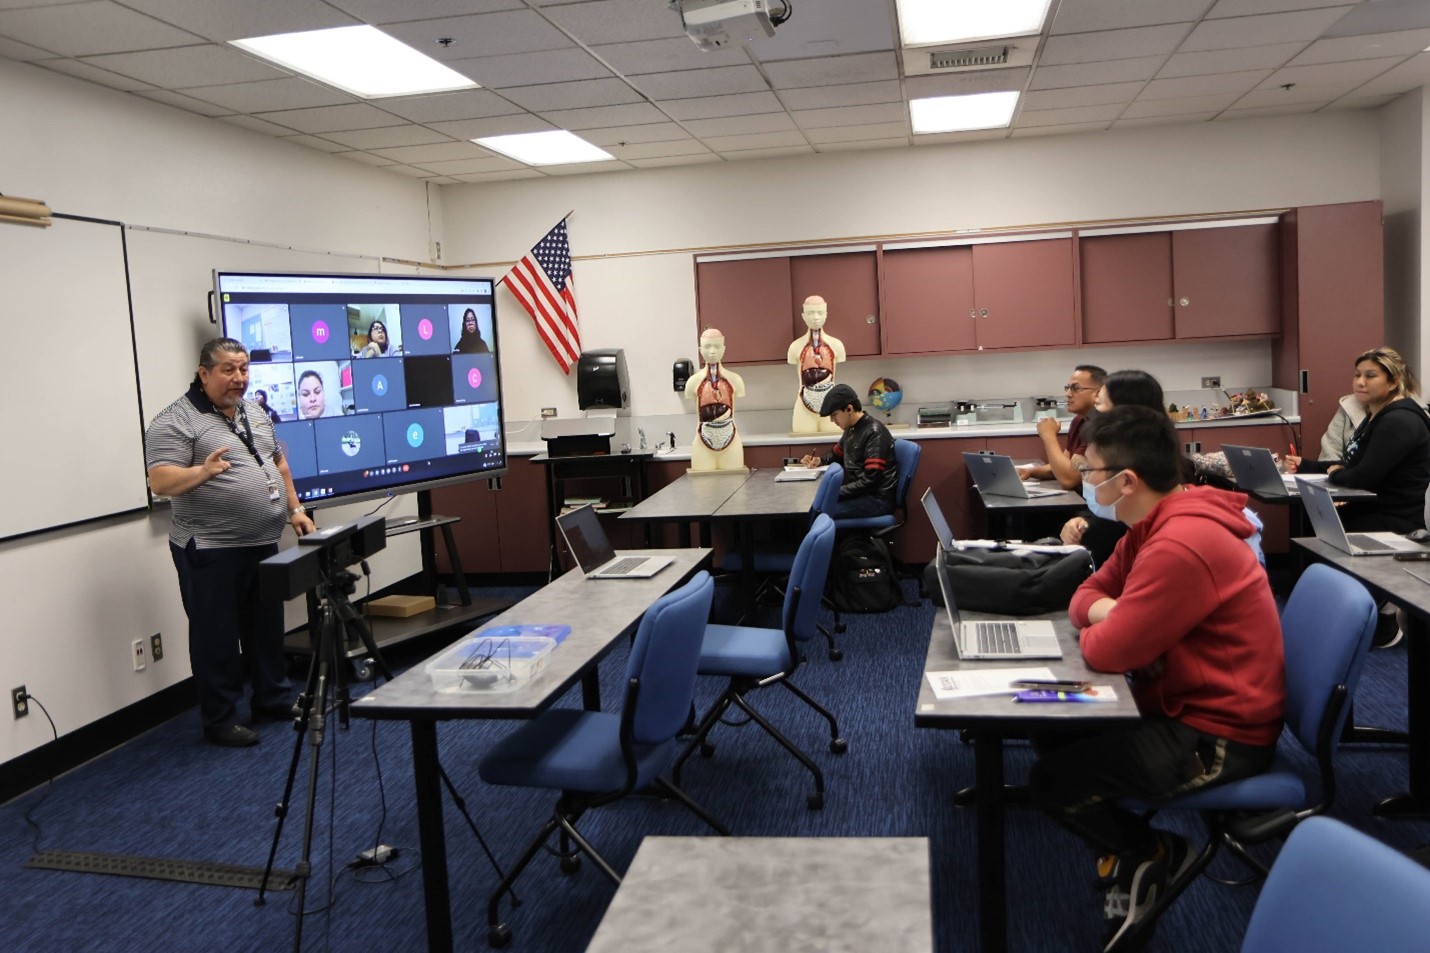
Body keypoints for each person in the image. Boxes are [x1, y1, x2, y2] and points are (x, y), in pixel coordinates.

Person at [1028, 405, 1285, 950]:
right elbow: (1086, 597)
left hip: (1219, 736)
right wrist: (1110, 611)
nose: (1085, 480)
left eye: (1091, 471)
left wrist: (1109, 618)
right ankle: (1125, 854)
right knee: (1051, 729)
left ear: (1127, 481)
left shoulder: (1181, 543)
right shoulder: (1152, 523)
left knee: (1056, 782)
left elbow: (1105, 651)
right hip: (1179, 699)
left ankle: (1153, 854)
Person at [144, 338, 316, 747]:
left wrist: (294, 510)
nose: (238, 378)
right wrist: (202, 473)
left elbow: (279, 462)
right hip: (209, 547)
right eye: (228, 370)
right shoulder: (175, 420)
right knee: (216, 636)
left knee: (266, 628)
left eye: (243, 369)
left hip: (260, 541)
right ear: (204, 373)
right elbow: (160, 480)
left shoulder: (253, 411)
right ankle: (220, 720)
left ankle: (272, 700)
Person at [1061, 370, 1265, 567]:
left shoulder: (1175, 544)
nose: (1097, 414)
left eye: (1101, 406)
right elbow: (1101, 585)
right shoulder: (1139, 528)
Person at [1287, 346, 1430, 533]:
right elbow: (1354, 463)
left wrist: (1334, 474)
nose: (1360, 382)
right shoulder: (1376, 414)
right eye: (1357, 375)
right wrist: (1306, 466)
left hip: (1397, 518)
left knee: (1316, 521)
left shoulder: (1398, 421)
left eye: (1370, 376)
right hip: (1374, 507)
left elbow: (1363, 477)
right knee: (1311, 516)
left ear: (1394, 382)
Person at [799, 382, 897, 519]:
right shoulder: (851, 429)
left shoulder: (874, 433)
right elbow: (836, 454)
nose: (833, 420)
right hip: (859, 494)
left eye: (834, 415)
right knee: (816, 507)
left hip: (876, 500)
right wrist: (819, 460)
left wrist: (834, 492)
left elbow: (871, 481)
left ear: (849, 409)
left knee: (817, 513)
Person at [1022, 364, 1105, 489]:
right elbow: (1064, 465)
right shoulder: (1079, 420)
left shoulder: (1102, 426)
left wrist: (1048, 436)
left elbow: (1069, 479)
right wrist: (1030, 471)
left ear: (1098, 393)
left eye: (1076, 388)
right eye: (1067, 388)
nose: (1068, 394)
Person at [683, 327, 746, 471]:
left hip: (730, 437)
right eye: (707, 347)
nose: (712, 351)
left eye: (717, 346)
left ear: (724, 349)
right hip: (703, 439)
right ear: (700, 350)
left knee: (734, 484)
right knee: (702, 488)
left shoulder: (735, 380)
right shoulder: (693, 382)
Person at [787, 295, 845, 434]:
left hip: (831, 403)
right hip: (804, 403)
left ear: (826, 314)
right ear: (803, 316)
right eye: (811, 313)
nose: (816, 317)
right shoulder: (795, 347)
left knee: (833, 445)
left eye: (820, 312)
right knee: (803, 446)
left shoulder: (836, 345)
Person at [1318, 392, 1367, 461]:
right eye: (1356, 380)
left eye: (1370, 380)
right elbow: (1330, 449)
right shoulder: (1349, 406)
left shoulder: (1385, 419)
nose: (1360, 382)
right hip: (1343, 470)